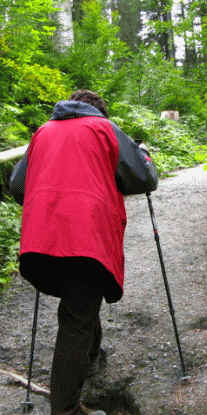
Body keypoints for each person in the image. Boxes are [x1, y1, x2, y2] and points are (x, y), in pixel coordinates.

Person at [10, 90, 158, 415]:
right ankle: (66, 410)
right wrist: (142, 155)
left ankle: (90, 358)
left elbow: (18, 185)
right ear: (98, 112)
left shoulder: (43, 133)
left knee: (80, 304)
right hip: (85, 240)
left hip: (40, 243)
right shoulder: (104, 129)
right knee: (77, 315)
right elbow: (144, 177)